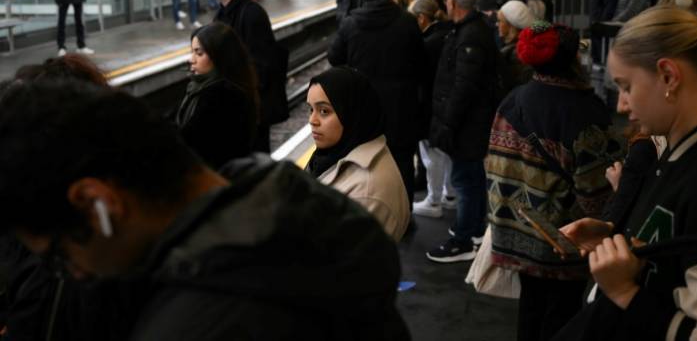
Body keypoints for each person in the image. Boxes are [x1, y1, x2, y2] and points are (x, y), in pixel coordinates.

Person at [0, 81, 411, 341]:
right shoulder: (288, 203)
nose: (72, 273)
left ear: (97, 203)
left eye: (57, 256)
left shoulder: (198, 321)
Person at [556, 3, 697, 341]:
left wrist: (626, 293)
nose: (621, 105)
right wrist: (614, 234)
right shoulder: (680, 154)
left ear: (668, 76)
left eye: (626, 86)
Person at [486, 21, 620, 341]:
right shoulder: (584, 111)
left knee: (531, 308)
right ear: (575, 60)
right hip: (563, 239)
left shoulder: (513, 99)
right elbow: (595, 192)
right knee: (561, 317)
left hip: (517, 227)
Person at [328, 0, 425, 210]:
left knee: (364, 161)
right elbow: (421, 61)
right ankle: (404, 215)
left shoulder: (351, 23)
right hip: (402, 106)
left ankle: (368, 213)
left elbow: (334, 57)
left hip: (363, 108)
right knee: (402, 160)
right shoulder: (407, 21)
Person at [426, 0, 500, 263]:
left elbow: (463, 86)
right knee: (471, 178)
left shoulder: (469, 35)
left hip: (468, 124)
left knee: (464, 180)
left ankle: (463, 240)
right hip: (474, 121)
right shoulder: (473, 29)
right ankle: (476, 230)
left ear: (453, 3)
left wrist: (448, 124)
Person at [306, 67, 410, 241]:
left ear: (352, 112)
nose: (312, 120)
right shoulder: (336, 153)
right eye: (311, 109)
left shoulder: (367, 194)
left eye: (324, 111)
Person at [204, 0, 288, 153]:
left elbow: (262, 69)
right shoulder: (219, 17)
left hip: (250, 116)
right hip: (229, 113)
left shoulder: (252, 14)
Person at [176, 22, 259, 170]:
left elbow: (189, 142)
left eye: (199, 53)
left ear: (219, 56)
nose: (191, 59)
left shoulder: (223, 96)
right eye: (192, 52)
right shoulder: (199, 88)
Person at [409, 0, 456, 218]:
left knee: (431, 154)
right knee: (445, 153)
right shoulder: (447, 33)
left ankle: (433, 200)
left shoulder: (427, 43)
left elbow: (421, 79)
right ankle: (449, 194)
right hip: (444, 104)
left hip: (429, 106)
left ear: (421, 18)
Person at [496, 0, 536, 93]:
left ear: (511, 26)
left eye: (500, 21)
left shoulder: (516, 53)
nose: (497, 24)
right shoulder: (516, 47)